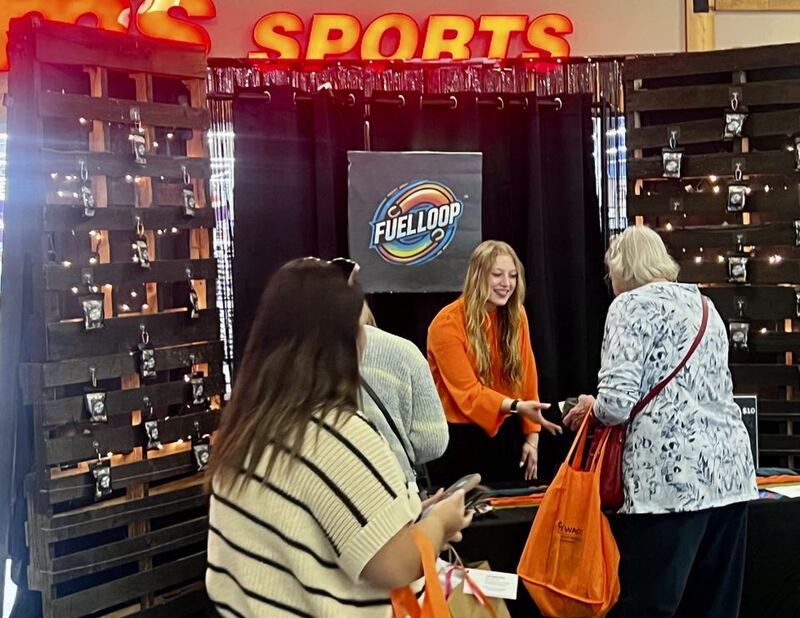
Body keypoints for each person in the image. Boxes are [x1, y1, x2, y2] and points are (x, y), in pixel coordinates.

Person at [205, 258, 472, 617]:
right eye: (360, 328)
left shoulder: (249, 425)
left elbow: (314, 529)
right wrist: (441, 523)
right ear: (339, 342)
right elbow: (395, 565)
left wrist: (412, 515)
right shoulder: (335, 433)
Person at [563, 225, 758, 618]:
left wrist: (590, 406)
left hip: (670, 481)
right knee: (715, 606)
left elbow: (616, 403)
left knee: (649, 605)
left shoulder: (629, 306)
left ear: (621, 269)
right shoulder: (705, 305)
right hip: (731, 474)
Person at [427, 240, 561, 486]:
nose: (506, 283)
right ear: (478, 276)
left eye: (512, 275)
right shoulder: (446, 324)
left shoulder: (517, 316)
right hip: (461, 440)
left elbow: (527, 379)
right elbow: (468, 394)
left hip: (507, 432)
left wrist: (532, 439)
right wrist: (518, 406)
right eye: (497, 275)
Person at [331, 258, 449, 489]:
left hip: (330, 490)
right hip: (395, 487)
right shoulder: (404, 350)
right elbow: (433, 441)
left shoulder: (296, 357)